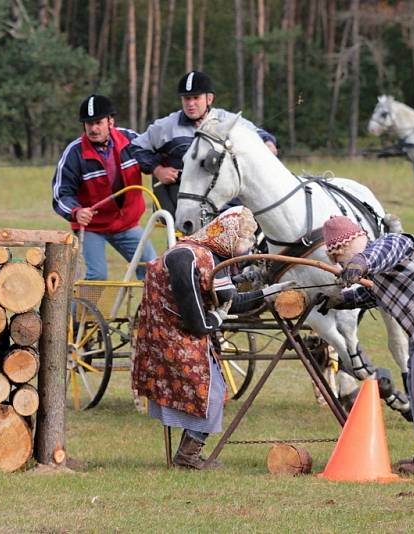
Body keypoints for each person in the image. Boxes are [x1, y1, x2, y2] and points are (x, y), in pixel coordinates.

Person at [132, 206, 295, 469]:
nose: (250, 244)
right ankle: (187, 457)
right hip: (170, 337)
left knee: (213, 391)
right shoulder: (189, 257)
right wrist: (215, 320)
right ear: (229, 235)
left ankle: (188, 454)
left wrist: (269, 294)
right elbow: (197, 321)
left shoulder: (210, 257)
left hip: (180, 334)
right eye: (246, 238)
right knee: (211, 393)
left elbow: (232, 302)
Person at [322, 216, 414, 474]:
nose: (339, 264)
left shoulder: (388, 243)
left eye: (339, 257)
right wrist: (337, 300)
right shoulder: (376, 269)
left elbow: (380, 254)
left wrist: (358, 263)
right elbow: (371, 293)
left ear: (347, 246)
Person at [132, 71, 278, 217]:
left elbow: (261, 135)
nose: (190, 104)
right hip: (190, 209)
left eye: (196, 98)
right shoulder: (166, 127)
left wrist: (269, 144)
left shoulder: (227, 121)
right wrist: (158, 171)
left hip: (232, 205)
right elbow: (136, 147)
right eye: (186, 98)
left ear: (209, 98)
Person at [52, 94, 156, 280]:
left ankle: (148, 310)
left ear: (110, 121)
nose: (93, 128)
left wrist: (161, 169)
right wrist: (76, 211)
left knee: (154, 271)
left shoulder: (131, 140)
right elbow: (61, 194)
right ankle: (78, 310)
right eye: (89, 124)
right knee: (97, 276)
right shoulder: (74, 153)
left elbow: (153, 161)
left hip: (127, 224)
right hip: (92, 227)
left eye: (98, 122)